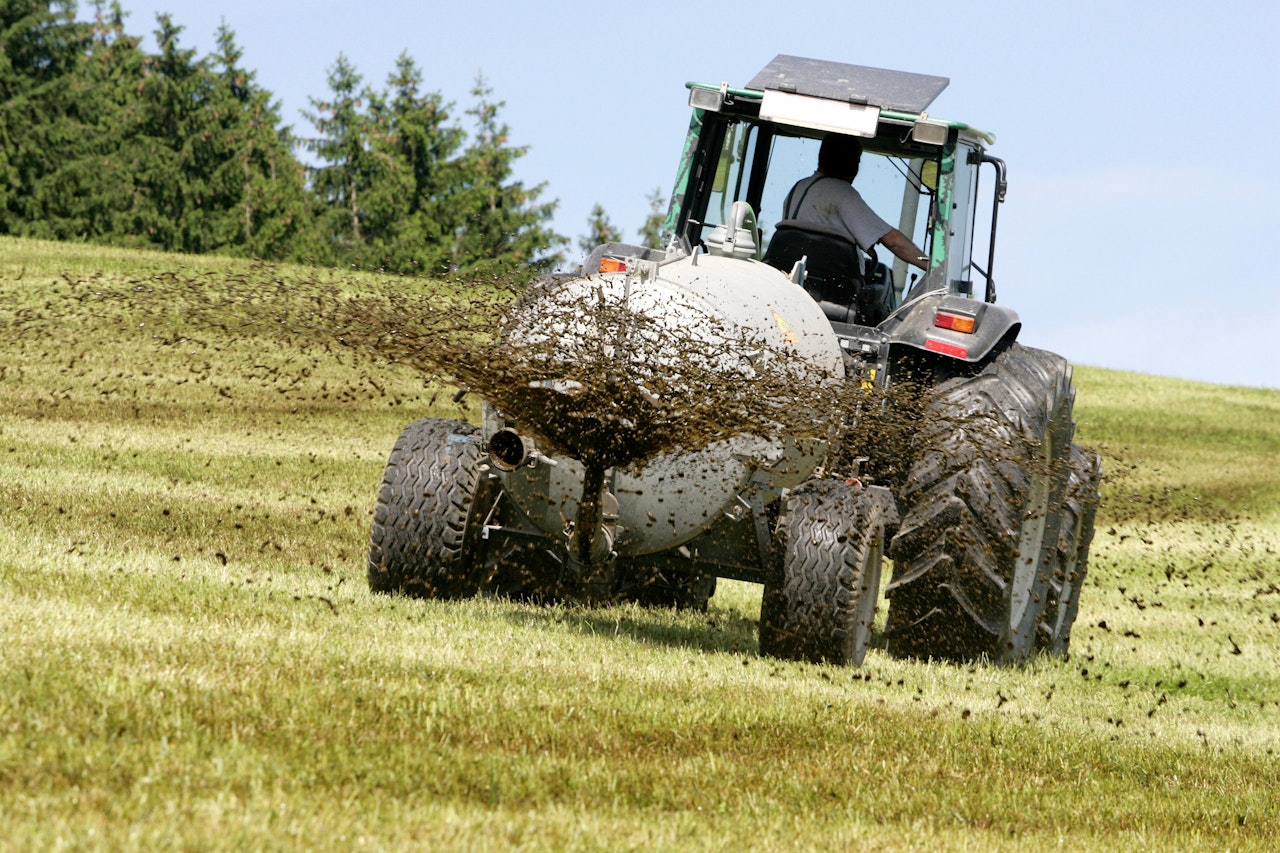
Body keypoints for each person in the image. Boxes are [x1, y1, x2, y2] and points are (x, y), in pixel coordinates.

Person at [780, 133, 929, 272]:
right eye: (857, 162)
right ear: (852, 165)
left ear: (821, 157)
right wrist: (932, 267)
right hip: (833, 281)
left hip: (789, 269)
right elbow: (893, 240)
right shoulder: (842, 192)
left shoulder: (798, 186)